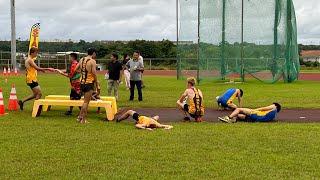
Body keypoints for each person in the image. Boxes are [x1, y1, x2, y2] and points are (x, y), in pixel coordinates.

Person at [75, 48, 98, 124]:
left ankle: (79, 117)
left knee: (85, 101)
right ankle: (83, 120)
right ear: (93, 53)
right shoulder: (92, 61)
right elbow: (94, 73)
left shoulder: (82, 59)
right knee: (86, 102)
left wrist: (83, 72)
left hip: (82, 83)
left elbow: (76, 69)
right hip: (89, 83)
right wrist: (96, 82)